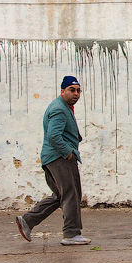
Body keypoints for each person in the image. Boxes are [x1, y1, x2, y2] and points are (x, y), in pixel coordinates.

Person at [16, 76, 90, 246]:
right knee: (71, 193)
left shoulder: (63, 107)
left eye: (78, 91)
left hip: (52, 157)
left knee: (60, 195)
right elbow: (53, 136)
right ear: (62, 91)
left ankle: (27, 221)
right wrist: (68, 153)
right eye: (72, 90)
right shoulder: (59, 109)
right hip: (60, 158)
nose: (76, 94)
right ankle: (71, 234)